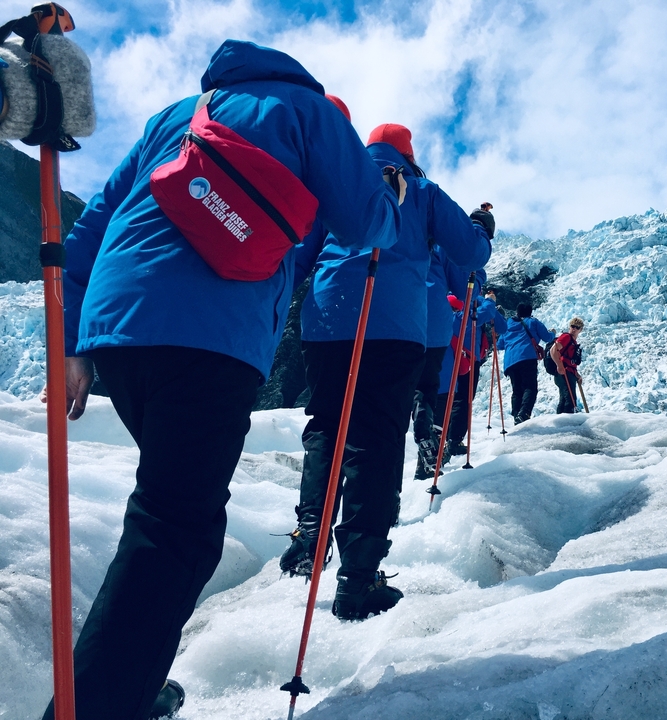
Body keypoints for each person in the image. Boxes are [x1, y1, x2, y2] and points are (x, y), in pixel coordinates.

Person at [41, 40, 402, 720]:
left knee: (169, 516)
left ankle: (129, 686)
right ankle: (97, 706)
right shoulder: (311, 112)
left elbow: (91, 223)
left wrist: (69, 346)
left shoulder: (181, 110)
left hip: (118, 332)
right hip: (207, 341)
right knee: (176, 528)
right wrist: (388, 192)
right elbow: (366, 223)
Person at [281, 123, 492, 620]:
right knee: (375, 440)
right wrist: (483, 228)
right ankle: (357, 579)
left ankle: (309, 539)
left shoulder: (337, 179)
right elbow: (470, 254)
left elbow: (298, 254)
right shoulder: (422, 190)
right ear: (410, 155)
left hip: (327, 320)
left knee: (326, 426)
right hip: (393, 324)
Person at [412, 247, 472, 480]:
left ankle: (424, 466)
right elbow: (463, 364)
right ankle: (428, 468)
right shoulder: (450, 325)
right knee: (437, 426)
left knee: (424, 416)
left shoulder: (421, 315)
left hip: (420, 376)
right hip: (444, 382)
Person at [445, 286, 507, 455]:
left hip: (444, 354)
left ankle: (440, 437)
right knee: (463, 399)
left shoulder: (446, 297)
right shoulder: (479, 301)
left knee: (446, 397)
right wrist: (490, 302)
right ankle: (454, 440)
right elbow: (501, 327)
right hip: (468, 357)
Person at [497, 302, 554, 424]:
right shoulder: (533, 322)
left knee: (517, 390)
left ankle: (517, 417)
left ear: (517, 312)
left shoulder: (507, 324)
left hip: (510, 362)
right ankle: (524, 414)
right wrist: (553, 332)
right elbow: (547, 337)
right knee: (530, 387)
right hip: (527, 357)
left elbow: (499, 345)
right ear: (530, 312)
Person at [551, 317, 584, 414]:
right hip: (564, 372)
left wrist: (576, 374)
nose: (574, 329)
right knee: (570, 399)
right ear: (569, 327)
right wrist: (559, 365)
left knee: (565, 399)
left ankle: (562, 422)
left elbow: (569, 361)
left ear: (580, 330)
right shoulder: (566, 337)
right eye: (572, 326)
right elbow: (553, 350)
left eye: (577, 327)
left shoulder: (573, 342)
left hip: (568, 372)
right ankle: (567, 423)